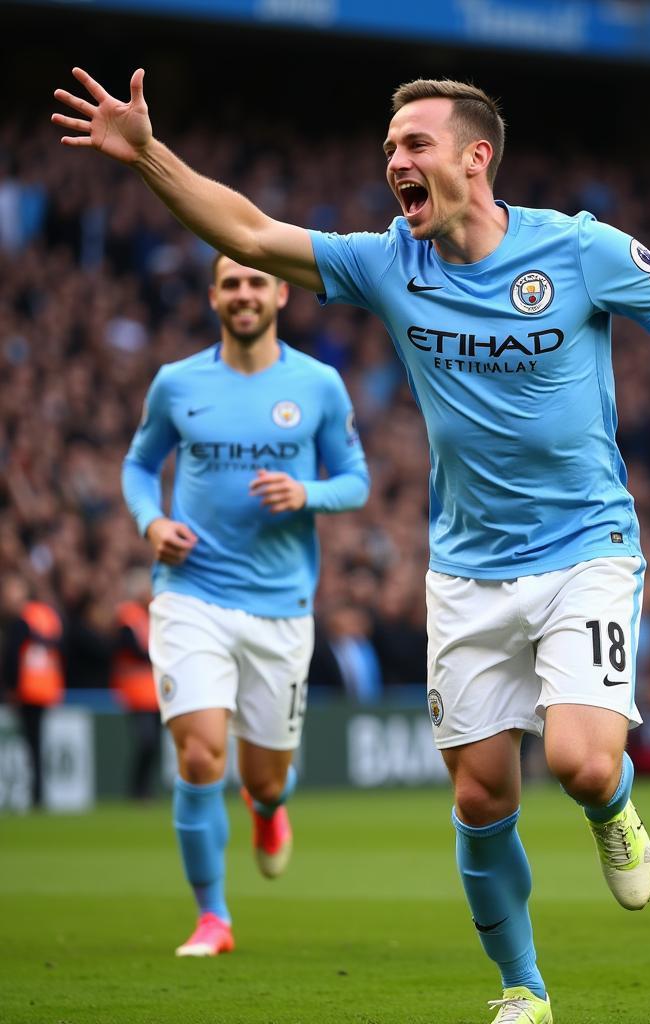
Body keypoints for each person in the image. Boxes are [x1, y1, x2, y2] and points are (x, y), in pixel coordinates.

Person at [54, 70, 650, 1022]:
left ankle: (612, 807)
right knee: (483, 798)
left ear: (474, 156)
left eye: (414, 145)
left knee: (579, 760)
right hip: (466, 569)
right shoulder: (387, 263)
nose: (394, 162)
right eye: (388, 150)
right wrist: (149, 154)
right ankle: (523, 988)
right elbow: (248, 233)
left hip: (587, 547)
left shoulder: (578, 250)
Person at [121, 251, 370, 957]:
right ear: (213, 296)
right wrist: (151, 522)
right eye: (231, 282)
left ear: (281, 294)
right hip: (191, 593)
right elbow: (140, 465)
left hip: (281, 607)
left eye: (256, 281)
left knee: (263, 773)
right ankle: (213, 918)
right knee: (200, 757)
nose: (243, 293)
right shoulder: (177, 384)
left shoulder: (317, 385)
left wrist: (307, 494)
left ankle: (267, 806)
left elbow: (355, 480)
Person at [0, 576, 65, 809]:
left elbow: (12, 658)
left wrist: (10, 687)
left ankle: (35, 794)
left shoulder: (21, 620)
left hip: (27, 691)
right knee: (37, 743)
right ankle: (38, 793)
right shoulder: (46, 616)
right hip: (46, 689)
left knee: (31, 744)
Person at [109, 568, 161, 800]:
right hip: (135, 693)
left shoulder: (150, 616)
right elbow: (130, 647)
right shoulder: (128, 616)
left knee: (154, 744)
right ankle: (136, 790)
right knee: (146, 742)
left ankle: (145, 790)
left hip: (155, 693)